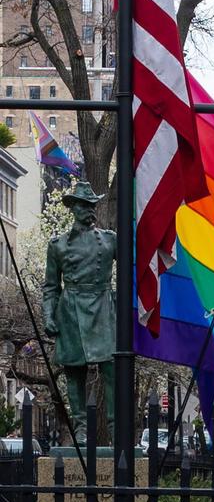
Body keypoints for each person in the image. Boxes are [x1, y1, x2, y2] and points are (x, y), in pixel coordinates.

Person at [42, 181, 116, 445]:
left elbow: (132, 268)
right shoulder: (58, 245)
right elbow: (51, 286)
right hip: (71, 310)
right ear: (73, 208)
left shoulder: (110, 240)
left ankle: (115, 426)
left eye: (92, 205)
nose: (90, 209)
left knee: (112, 368)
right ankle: (81, 427)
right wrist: (48, 315)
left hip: (103, 306)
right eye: (84, 205)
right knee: (74, 372)